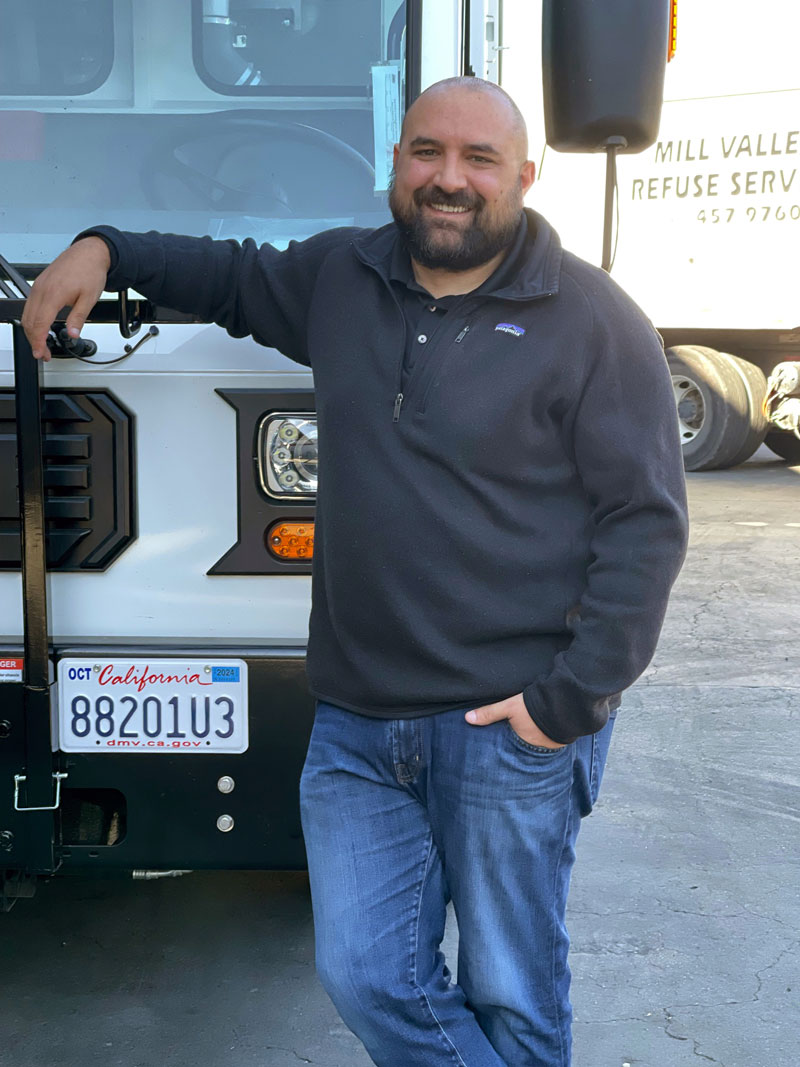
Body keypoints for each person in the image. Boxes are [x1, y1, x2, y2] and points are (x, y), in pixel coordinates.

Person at [23, 78, 689, 1066]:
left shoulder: (591, 321)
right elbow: (229, 276)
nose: (447, 179)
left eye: (477, 160)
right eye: (426, 152)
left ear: (523, 177)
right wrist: (103, 245)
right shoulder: (342, 276)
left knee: (512, 996)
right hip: (356, 728)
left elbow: (645, 522)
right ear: (395, 162)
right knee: (370, 976)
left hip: (505, 725)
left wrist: (567, 699)